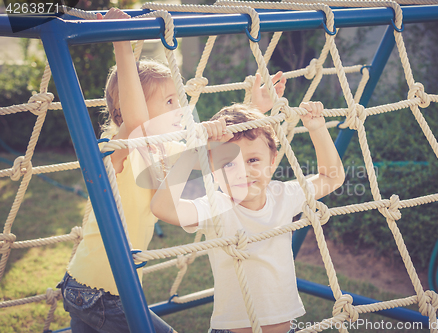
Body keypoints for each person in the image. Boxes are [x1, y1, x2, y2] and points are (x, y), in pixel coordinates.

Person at [57, 8, 287, 333]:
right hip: (101, 290)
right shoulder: (117, 147)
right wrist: (122, 46)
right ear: (124, 106)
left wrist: (255, 106)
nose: (178, 109)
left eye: (176, 101)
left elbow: (220, 145)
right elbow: (137, 122)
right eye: (167, 102)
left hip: (94, 283)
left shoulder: (166, 153)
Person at [150, 102, 345, 333]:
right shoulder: (217, 207)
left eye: (253, 160)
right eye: (229, 164)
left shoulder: (282, 195)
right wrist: (195, 150)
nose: (242, 171)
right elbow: (163, 208)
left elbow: (331, 178)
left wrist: (317, 128)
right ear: (212, 169)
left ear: (272, 162)